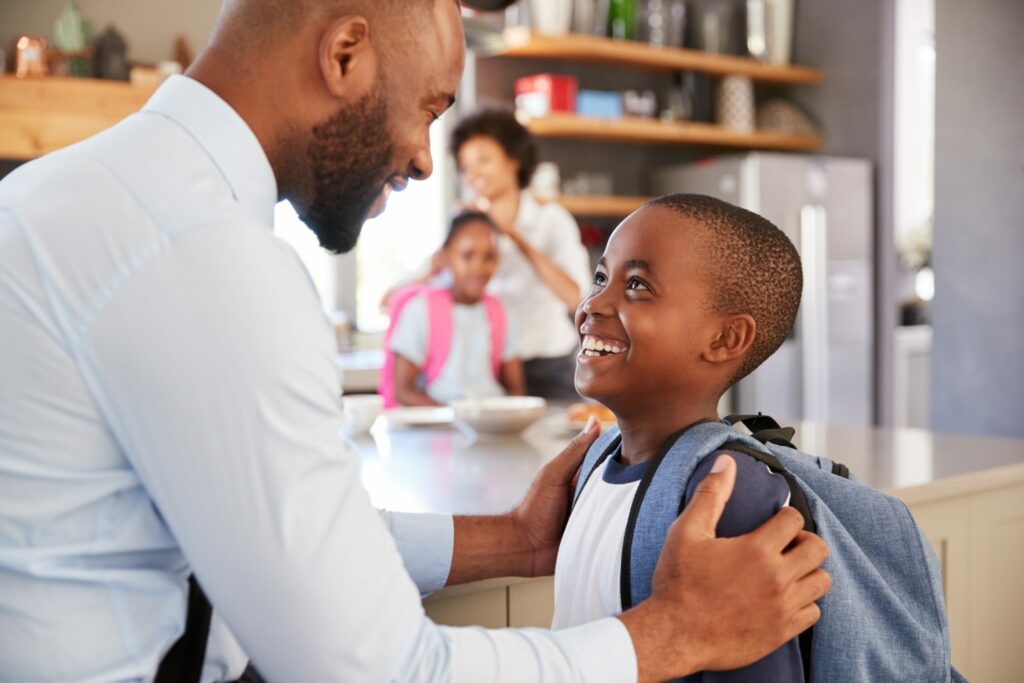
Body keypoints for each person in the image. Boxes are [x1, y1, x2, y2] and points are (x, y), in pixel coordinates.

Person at [0, 1, 830, 681]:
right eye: (430, 106)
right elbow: (385, 671)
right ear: (346, 53)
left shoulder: (75, 194)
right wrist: (671, 635)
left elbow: (270, 528)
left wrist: (515, 539)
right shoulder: (203, 254)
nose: (426, 161)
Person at [553, 194, 808, 678]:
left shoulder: (728, 493)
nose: (592, 304)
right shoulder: (596, 460)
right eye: (601, 278)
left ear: (724, 339)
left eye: (636, 286)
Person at [393, 109, 591, 400]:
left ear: (513, 161)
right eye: (465, 166)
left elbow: (578, 298)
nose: (474, 174)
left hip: (550, 366)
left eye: (484, 160)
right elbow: (412, 294)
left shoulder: (551, 219)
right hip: (490, 371)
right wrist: (449, 252)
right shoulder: (466, 224)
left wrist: (512, 234)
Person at [386, 211, 525, 406]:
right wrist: (456, 419)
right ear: (445, 257)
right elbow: (403, 391)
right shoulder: (420, 310)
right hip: (438, 426)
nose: (479, 267)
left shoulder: (503, 313)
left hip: (489, 424)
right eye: (467, 256)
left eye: (489, 257)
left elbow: (516, 389)